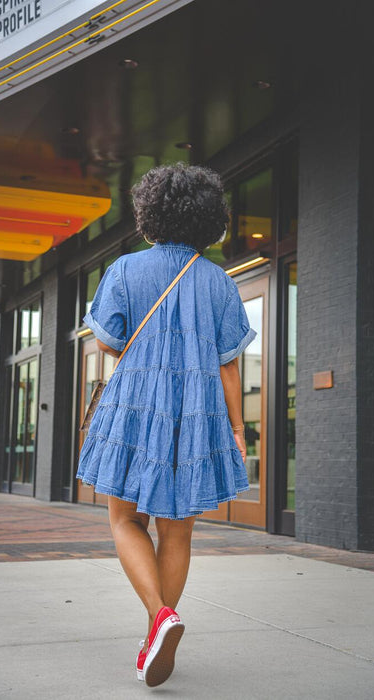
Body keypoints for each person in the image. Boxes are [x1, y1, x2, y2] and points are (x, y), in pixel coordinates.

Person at [76, 163, 257, 687]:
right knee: (178, 530)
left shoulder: (125, 270)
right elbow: (229, 365)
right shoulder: (219, 281)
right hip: (196, 413)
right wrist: (238, 429)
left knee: (125, 520)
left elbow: (107, 341)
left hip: (135, 406)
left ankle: (159, 618)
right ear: (208, 218)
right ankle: (157, 625)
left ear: (150, 211)